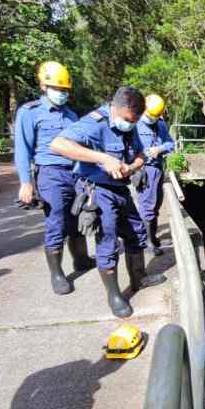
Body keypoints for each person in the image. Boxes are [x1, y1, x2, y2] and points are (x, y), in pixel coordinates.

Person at [50, 86, 165, 318]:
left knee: (137, 232)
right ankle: (114, 296)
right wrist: (103, 158)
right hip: (98, 190)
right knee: (108, 241)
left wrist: (131, 166)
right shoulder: (95, 123)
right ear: (115, 108)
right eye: (127, 120)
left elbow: (141, 154)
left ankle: (138, 278)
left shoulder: (130, 126)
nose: (130, 125)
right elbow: (58, 144)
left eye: (134, 121)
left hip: (121, 189)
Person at [14, 61, 95, 295]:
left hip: (75, 173)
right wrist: (26, 182)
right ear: (43, 86)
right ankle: (57, 273)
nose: (62, 94)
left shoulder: (71, 115)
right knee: (56, 221)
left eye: (65, 90)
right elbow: (23, 149)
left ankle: (80, 259)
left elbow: (79, 146)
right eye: (57, 89)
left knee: (77, 218)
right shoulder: (29, 113)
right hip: (50, 174)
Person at [136, 93, 175, 256]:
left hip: (158, 167)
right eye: (150, 115)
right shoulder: (135, 124)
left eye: (155, 116)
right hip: (144, 170)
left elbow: (170, 143)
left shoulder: (160, 124)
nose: (152, 118)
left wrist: (159, 149)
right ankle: (148, 242)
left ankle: (154, 237)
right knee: (147, 207)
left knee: (156, 205)